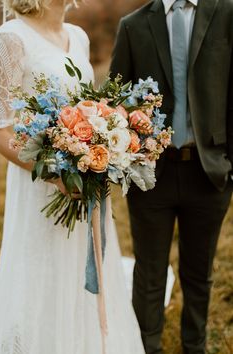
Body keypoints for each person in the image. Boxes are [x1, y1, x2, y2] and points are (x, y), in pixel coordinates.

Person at [0, 1, 146, 353]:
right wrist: (55, 173)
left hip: (86, 183)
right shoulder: (10, 38)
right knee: (45, 273)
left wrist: (104, 148)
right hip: (42, 185)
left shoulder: (78, 37)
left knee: (82, 267)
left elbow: (86, 105)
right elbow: (1, 129)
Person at [110, 0, 233, 353]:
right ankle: (146, 347)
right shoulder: (132, 25)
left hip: (209, 172)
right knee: (148, 275)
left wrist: (229, 165)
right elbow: (117, 103)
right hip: (151, 176)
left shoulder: (225, 14)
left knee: (200, 275)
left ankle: (195, 346)